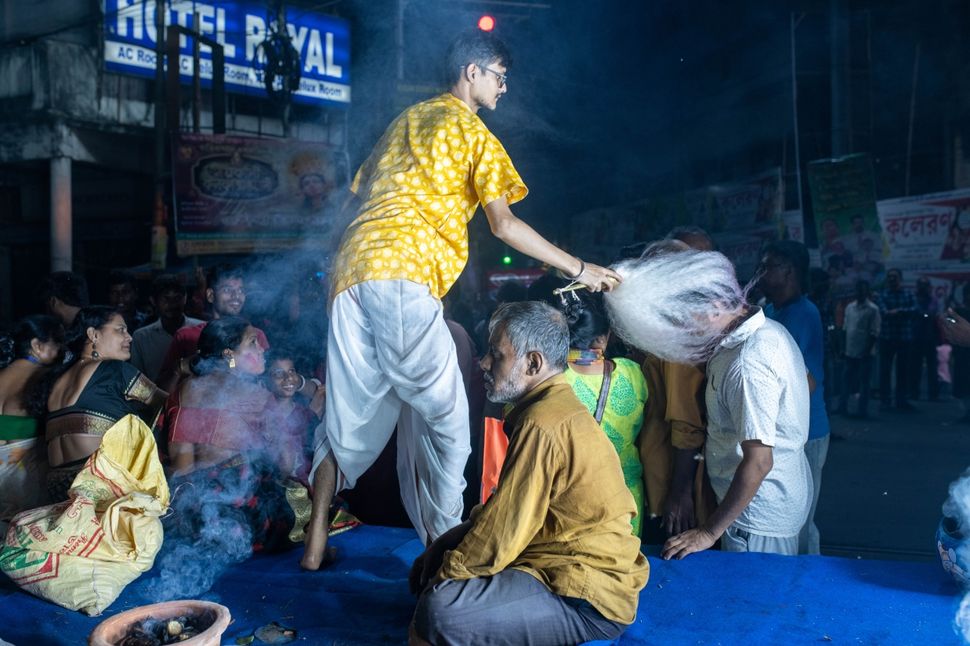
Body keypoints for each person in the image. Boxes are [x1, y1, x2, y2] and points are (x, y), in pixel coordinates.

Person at [301, 30, 621, 570]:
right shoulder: (472, 133)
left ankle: (313, 546)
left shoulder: (406, 121)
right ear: (472, 72)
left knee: (346, 415)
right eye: (500, 76)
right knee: (448, 422)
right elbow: (505, 224)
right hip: (402, 274)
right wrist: (579, 268)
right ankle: (443, 555)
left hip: (352, 274)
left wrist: (333, 267)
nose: (504, 89)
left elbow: (350, 206)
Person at [409, 302, 648, 645]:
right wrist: (447, 548)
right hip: (556, 563)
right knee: (437, 563)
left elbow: (503, 530)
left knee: (439, 608)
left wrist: (446, 577)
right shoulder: (546, 408)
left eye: (496, 355)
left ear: (533, 363)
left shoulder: (543, 423)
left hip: (587, 600)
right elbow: (505, 515)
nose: (484, 364)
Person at [605, 245, 812, 558]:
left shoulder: (749, 361)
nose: (684, 331)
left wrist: (707, 532)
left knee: (756, 601)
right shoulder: (762, 331)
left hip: (758, 517)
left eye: (687, 320)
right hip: (760, 504)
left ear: (716, 306)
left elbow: (759, 461)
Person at [166, 318, 311, 554]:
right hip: (243, 513)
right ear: (229, 355)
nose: (262, 349)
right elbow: (285, 463)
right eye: (253, 343)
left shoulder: (186, 389)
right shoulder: (258, 396)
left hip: (195, 512)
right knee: (302, 497)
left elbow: (182, 467)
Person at [33, 306, 166, 501]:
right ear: (93, 334)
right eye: (120, 329)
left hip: (57, 489)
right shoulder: (115, 370)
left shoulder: (56, 378)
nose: (129, 337)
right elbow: (168, 403)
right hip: (97, 488)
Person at [544, 287, 648, 536]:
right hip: (624, 497)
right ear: (603, 338)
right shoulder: (632, 372)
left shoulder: (546, 379)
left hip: (565, 499)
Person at [638, 227, 715, 543]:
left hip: (670, 482)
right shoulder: (665, 323)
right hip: (662, 473)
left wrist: (679, 495)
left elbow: (687, 427)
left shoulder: (678, 332)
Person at [759, 240, 830, 555]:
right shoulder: (771, 309)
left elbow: (808, 382)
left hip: (807, 431)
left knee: (802, 520)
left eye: (769, 266)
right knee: (785, 514)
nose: (761, 272)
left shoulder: (804, 313)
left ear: (789, 271)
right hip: (785, 432)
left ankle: (809, 586)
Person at [156, 265, 271, 395]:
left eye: (240, 291)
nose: (236, 296)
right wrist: (181, 367)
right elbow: (162, 390)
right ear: (210, 295)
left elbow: (269, 381)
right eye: (228, 290)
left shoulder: (256, 335)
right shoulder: (186, 336)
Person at [0, 316, 65, 525]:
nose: (61, 351)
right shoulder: (46, 378)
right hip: (25, 484)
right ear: (36, 345)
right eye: (57, 344)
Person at [129, 275, 204, 382]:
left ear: (185, 298)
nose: (172, 304)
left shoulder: (202, 329)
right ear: (153, 301)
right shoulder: (141, 337)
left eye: (177, 298)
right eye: (166, 298)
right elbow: (137, 379)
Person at [840, 280, 881, 418]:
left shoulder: (873, 309)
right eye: (858, 290)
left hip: (865, 351)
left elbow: (874, 332)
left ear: (867, 292)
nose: (860, 293)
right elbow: (845, 329)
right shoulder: (849, 308)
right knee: (846, 380)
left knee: (864, 381)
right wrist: (842, 348)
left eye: (862, 290)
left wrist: (867, 350)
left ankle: (862, 410)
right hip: (850, 350)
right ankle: (842, 406)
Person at [877, 269, 917, 411]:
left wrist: (897, 312)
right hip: (887, 338)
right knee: (885, 371)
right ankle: (885, 400)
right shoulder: (883, 295)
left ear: (900, 278)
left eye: (894, 277)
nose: (892, 279)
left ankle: (901, 400)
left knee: (903, 370)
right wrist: (902, 312)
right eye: (890, 277)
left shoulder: (908, 294)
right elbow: (884, 313)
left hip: (903, 338)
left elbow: (915, 311)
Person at [911, 277, 941, 401]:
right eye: (921, 285)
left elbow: (930, 313)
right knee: (914, 367)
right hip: (915, 336)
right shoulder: (913, 298)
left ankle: (933, 394)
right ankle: (913, 392)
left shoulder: (932, 299)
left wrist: (922, 314)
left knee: (932, 367)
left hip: (930, 337)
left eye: (925, 285)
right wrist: (924, 314)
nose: (923, 288)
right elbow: (921, 313)